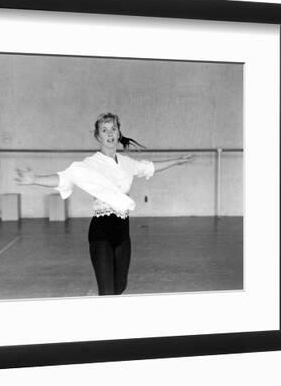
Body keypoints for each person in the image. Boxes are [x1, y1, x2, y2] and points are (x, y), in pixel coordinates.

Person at [15, 113, 194, 296]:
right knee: (107, 291)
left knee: (119, 287)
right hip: (101, 232)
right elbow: (64, 177)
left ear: (118, 133)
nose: (109, 134)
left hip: (123, 232)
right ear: (98, 136)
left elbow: (149, 167)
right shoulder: (89, 164)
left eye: (113, 129)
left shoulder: (126, 163)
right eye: (104, 130)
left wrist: (177, 161)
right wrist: (34, 179)